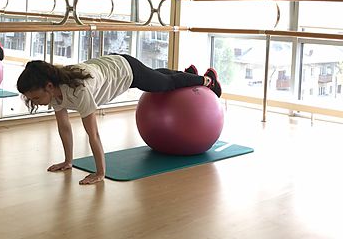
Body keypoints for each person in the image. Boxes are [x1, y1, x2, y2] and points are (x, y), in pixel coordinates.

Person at [16, 54, 222, 185]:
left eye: (36, 97)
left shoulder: (78, 90)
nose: (36, 102)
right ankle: (187, 75)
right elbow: (64, 127)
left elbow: (93, 134)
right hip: (112, 66)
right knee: (155, 79)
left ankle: (206, 80)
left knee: (165, 83)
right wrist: (68, 161)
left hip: (125, 70)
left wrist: (100, 173)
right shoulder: (54, 91)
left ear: (49, 86)